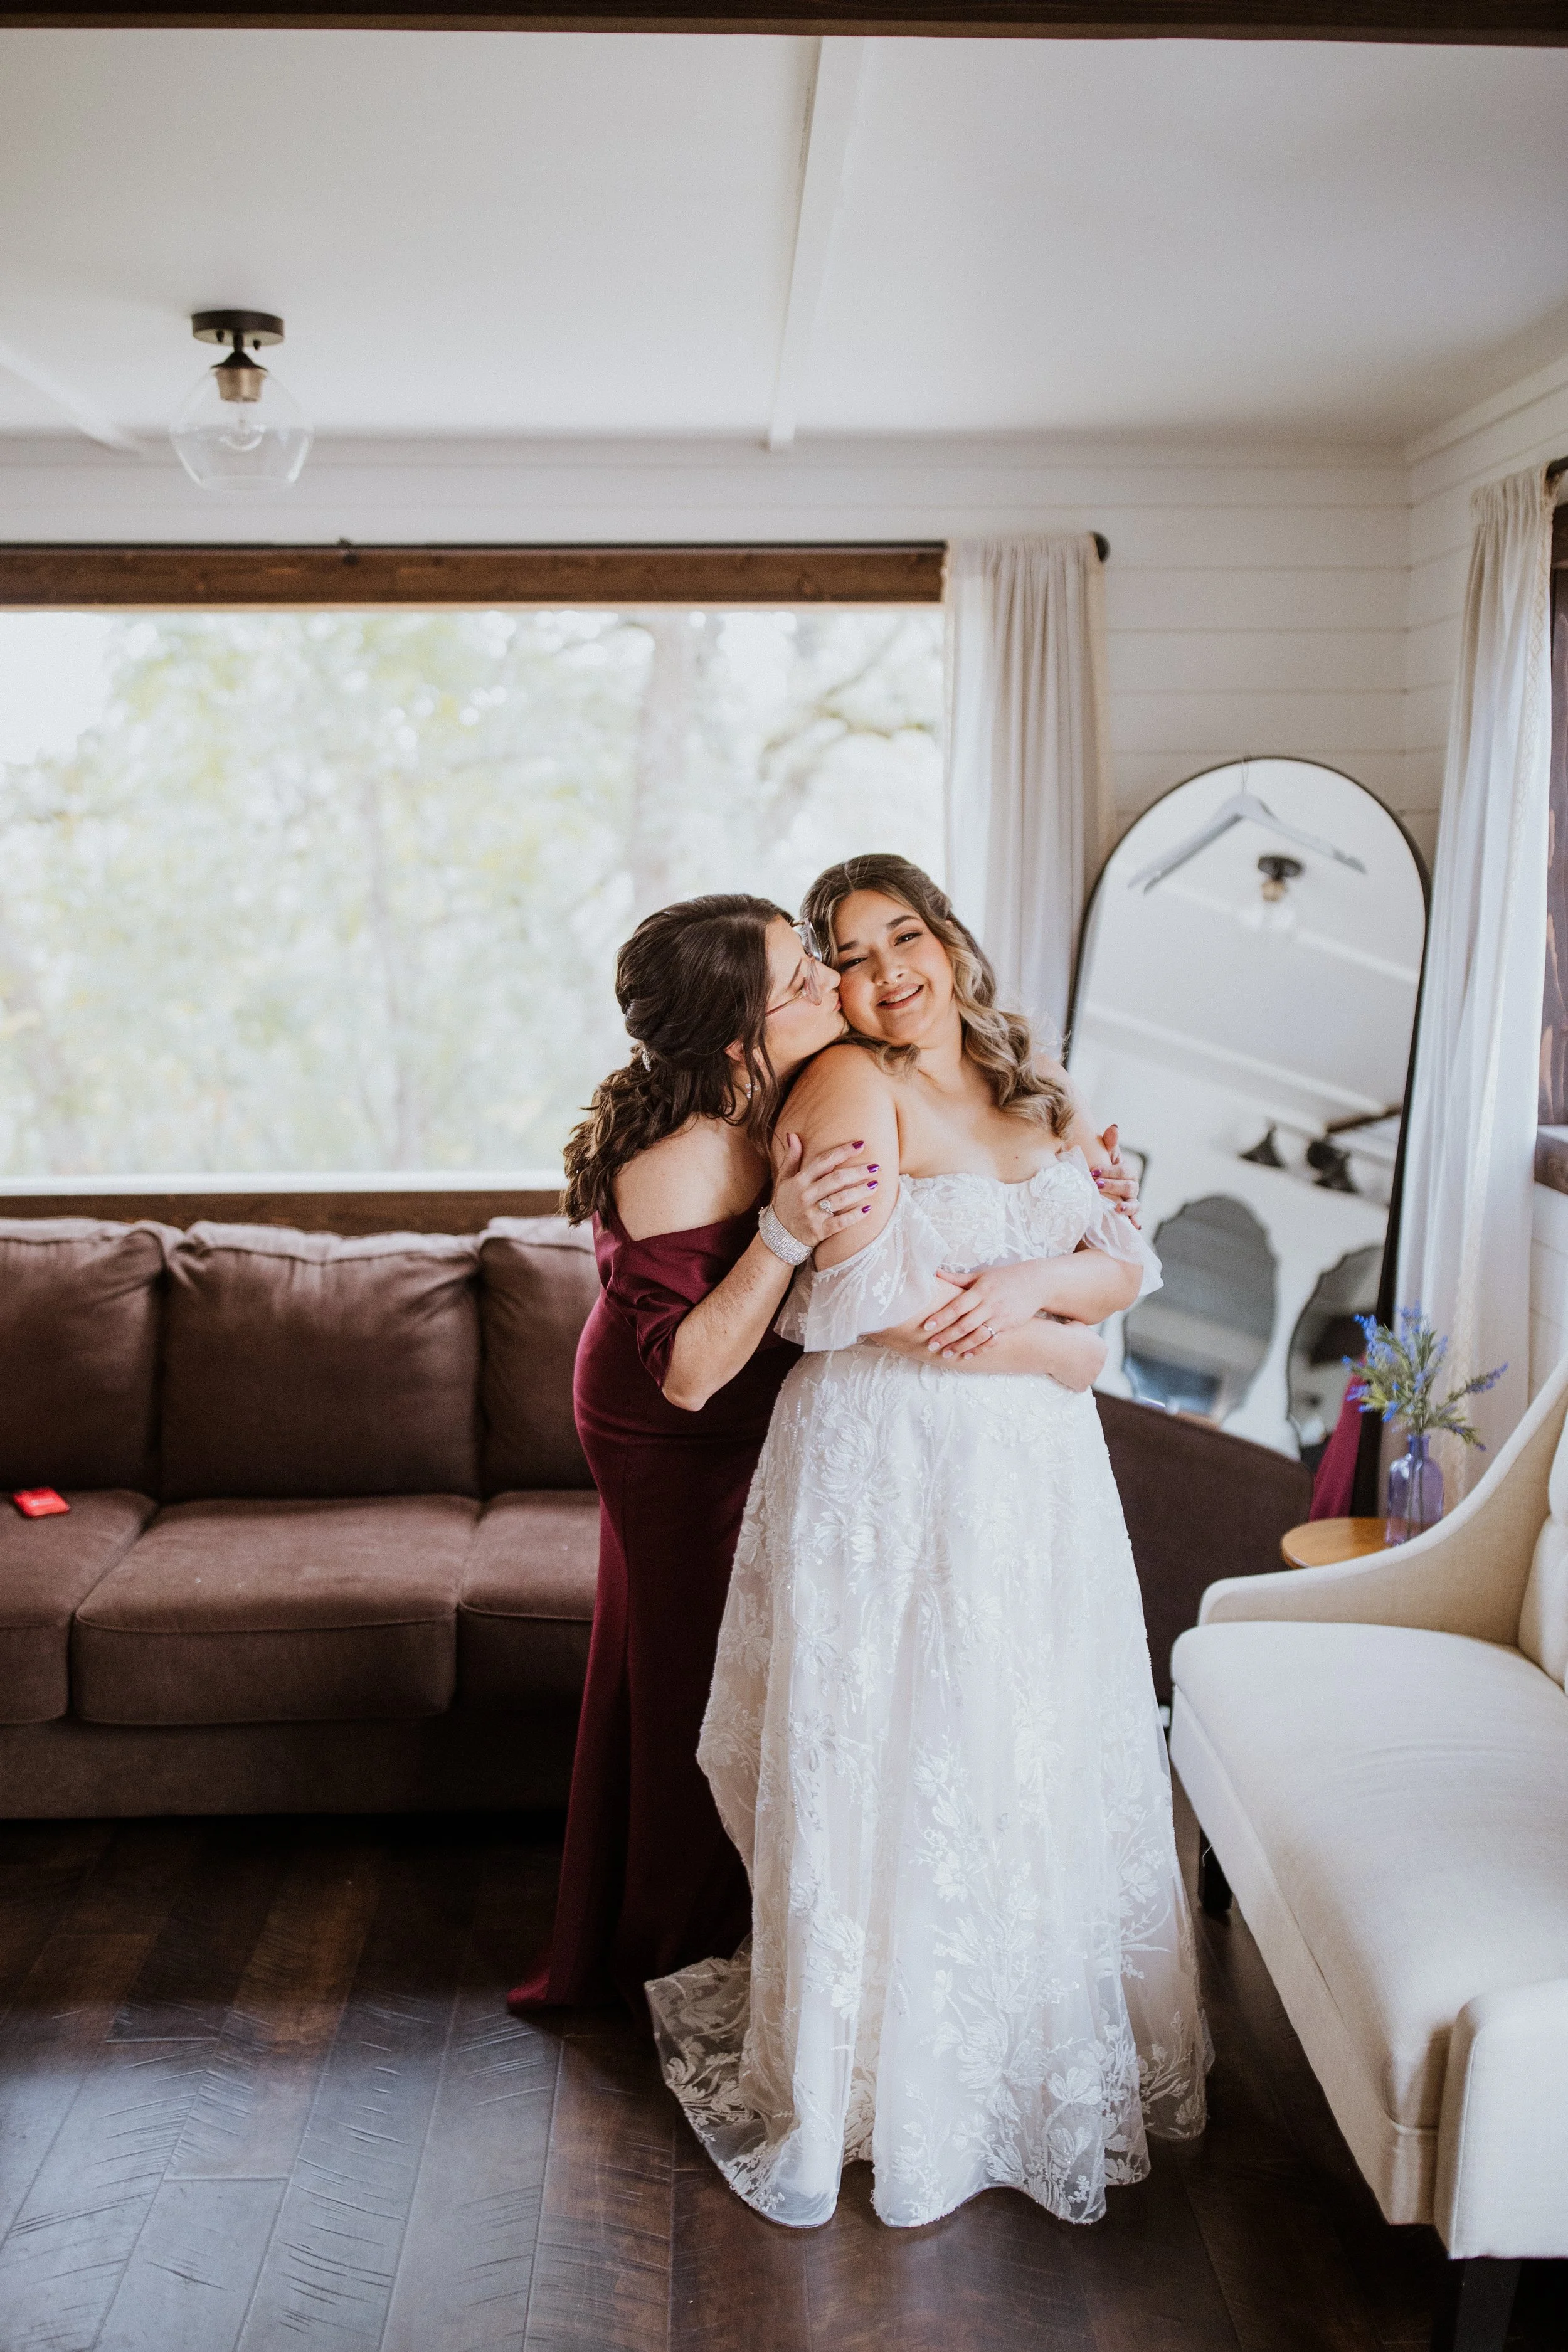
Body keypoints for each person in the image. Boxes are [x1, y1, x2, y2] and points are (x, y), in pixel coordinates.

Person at [647, 853, 1209, 2229]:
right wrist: (1064, 1353)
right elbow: (865, 1291)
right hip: (893, 1455)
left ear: (949, 942)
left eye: (904, 934)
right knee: (911, 1747)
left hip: (1032, 1481)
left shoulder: (1039, 1089)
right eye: (848, 952)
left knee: (1022, 1742)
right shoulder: (849, 1086)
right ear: (826, 984)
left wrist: (1041, 1286)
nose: (886, 970)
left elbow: (1129, 1255)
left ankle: (1022, 2050)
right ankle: (889, 2077)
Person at [507, 895, 870, 2023]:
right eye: (795, 976)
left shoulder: (799, 1069)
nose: (824, 979)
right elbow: (693, 1371)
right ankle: (677, 1949)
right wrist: (786, 1228)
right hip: (671, 1429)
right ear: (732, 1035)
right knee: (694, 1679)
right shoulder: (677, 1158)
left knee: (749, 1658)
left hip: (747, 1413)